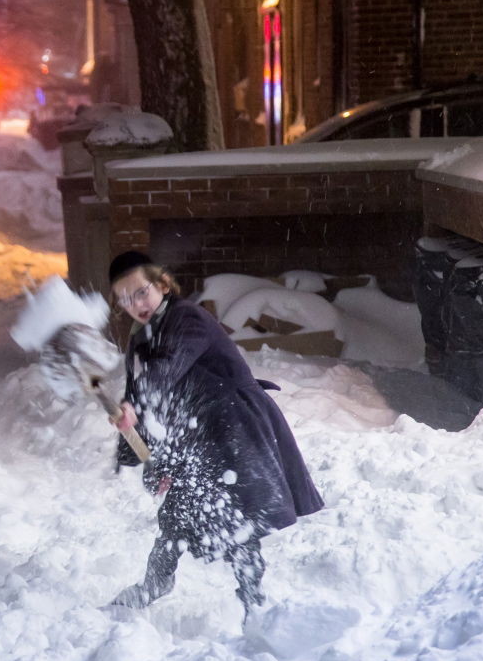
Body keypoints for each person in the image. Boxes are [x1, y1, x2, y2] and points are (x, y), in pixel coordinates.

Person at [106, 250, 323, 621]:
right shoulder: (142, 336)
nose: (135, 304)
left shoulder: (186, 318)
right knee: (176, 514)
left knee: (239, 518)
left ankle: (254, 604)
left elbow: (165, 371)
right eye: (125, 299)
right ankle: (156, 584)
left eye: (140, 292)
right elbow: (143, 389)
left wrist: (138, 405)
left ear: (161, 284)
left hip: (234, 424)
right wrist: (140, 436)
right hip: (195, 432)